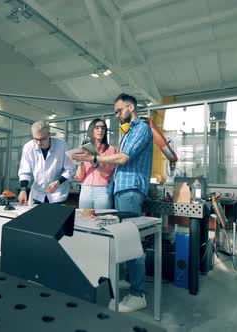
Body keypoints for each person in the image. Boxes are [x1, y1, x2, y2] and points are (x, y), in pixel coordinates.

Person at [71, 93, 153, 313]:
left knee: (132, 239)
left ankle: (137, 294)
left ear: (131, 107)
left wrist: (94, 159)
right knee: (122, 238)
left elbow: (123, 159)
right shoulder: (128, 132)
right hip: (119, 190)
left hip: (131, 190)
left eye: (119, 111)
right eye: (115, 112)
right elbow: (117, 170)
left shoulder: (141, 129)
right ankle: (129, 280)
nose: (117, 115)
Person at [18, 120, 76, 205]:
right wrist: (23, 190)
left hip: (57, 193)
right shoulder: (28, 147)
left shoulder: (62, 146)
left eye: (42, 139)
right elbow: (25, 171)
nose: (39, 143)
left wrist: (58, 182)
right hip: (37, 194)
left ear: (49, 135)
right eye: (36, 139)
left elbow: (70, 169)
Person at [75, 118, 117, 209]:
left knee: (101, 219)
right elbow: (80, 177)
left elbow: (108, 174)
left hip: (102, 190)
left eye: (103, 128)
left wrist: (95, 163)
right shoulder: (85, 149)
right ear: (91, 130)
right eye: (97, 128)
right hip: (85, 189)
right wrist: (80, 163)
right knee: (84, 219)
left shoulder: (111, 150)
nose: (100, 130)